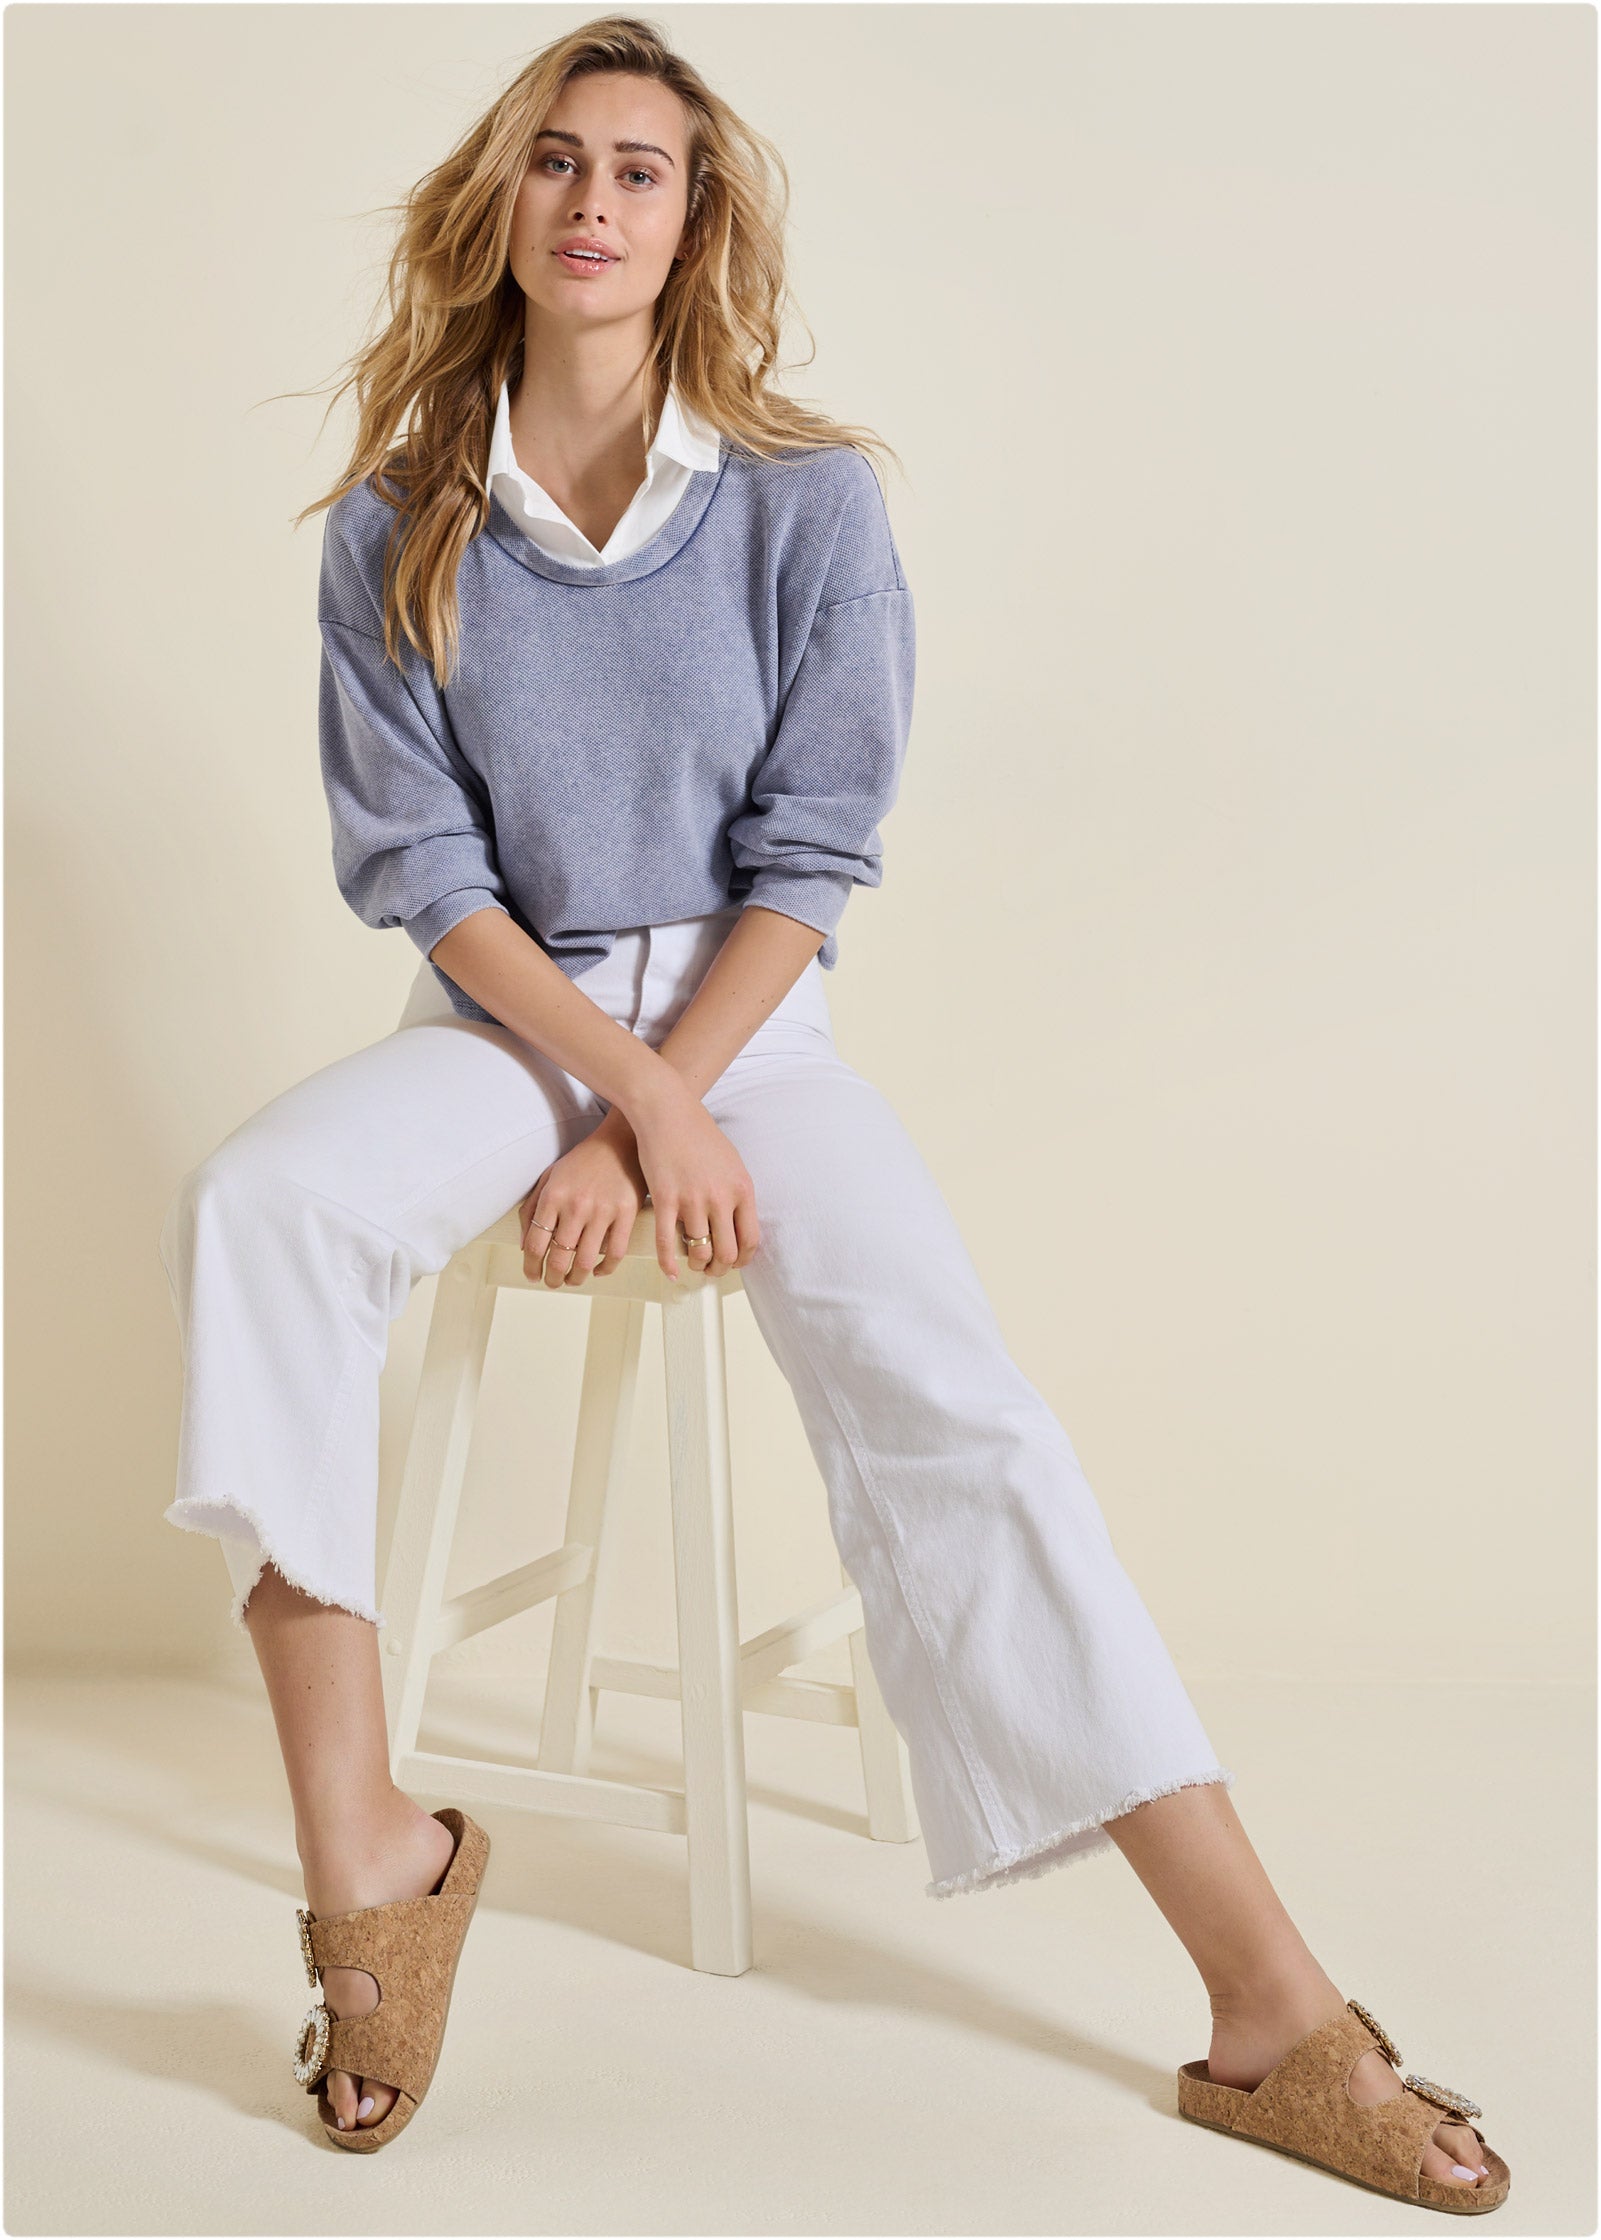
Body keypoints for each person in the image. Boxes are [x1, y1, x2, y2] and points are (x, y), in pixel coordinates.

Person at [157, 14, 1507, 2206]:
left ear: (696, 225)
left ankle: (1269, 2007)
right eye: (557, 159)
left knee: (957, 1405)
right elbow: (423, 870)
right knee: (257, 1206)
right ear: (499, 201)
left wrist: (667, 1105)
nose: (594, 201)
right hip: (507, 1020)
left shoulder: (805, 502)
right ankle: (372, 1858)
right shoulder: (398, 522)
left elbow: (811, 855)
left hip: (748, 1020)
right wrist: (612, 1099)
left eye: (642, 170)